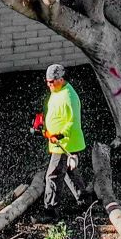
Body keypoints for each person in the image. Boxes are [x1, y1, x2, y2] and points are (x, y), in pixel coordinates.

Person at [38, 64, 86, 208]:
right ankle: (84, 200)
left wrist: (60, 135)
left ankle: (51, 209)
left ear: (61, 79)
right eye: (47, 81)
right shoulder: (57, 91)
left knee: (53, 175)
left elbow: (73, 121)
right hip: (59, 142)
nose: (49, 85)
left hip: (65, 143)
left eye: (51, 82)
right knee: (69, 172)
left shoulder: (69, 96)